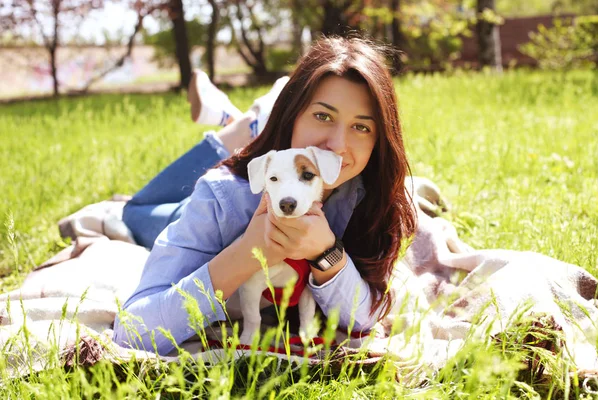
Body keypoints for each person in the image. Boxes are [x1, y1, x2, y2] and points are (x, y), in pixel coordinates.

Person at [113, 36, 417, 356]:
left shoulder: (370, 197)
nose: (338, 145)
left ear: (379, 140)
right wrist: (248, 251)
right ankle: (245, 126)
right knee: (134, 211)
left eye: (361, 127)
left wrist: (326, 252)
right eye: (323, 116)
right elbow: (132, 334)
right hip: (228, 195)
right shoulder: (220, 197)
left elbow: (366, 317)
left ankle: (246, 120)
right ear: (292, 116)